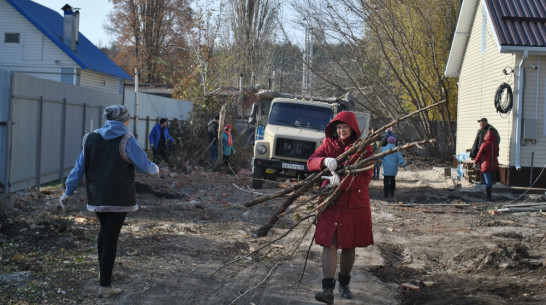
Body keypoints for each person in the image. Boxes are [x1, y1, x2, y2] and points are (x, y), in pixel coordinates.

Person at [59, 105, 159, 297]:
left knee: (104, 233)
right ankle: (105, 286)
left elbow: (78, 168)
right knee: (111, 238)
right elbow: (145, 166)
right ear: (125, 120)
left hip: (97, 196)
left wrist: (67, 193)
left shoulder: (91, 138)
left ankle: (103, 273)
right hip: (120, 197)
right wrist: (156, 169)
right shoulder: (126, 139)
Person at [307, 111, 374, 304]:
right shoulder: (328, 144)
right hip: (331, 202)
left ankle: (344, 283)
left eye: (344, 127)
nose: (341, 131)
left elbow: (365, 178)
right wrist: (323, 162)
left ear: (352, 128)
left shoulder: (363, 148)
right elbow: (310, 162)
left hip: (354, 203)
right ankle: (327, 289)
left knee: (349, 244)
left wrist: (341, 183)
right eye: (338, 128)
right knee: (329, 242)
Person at [474, 131, 499, 201]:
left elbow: (479, 154)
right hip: (494, 164)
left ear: (486, 137)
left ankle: (489, 196)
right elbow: (496, 154)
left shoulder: (484, 144)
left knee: (488, 181)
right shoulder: (495, 144)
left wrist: (475, 162)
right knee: (490, 180)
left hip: (486, 164)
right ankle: (489, 195)